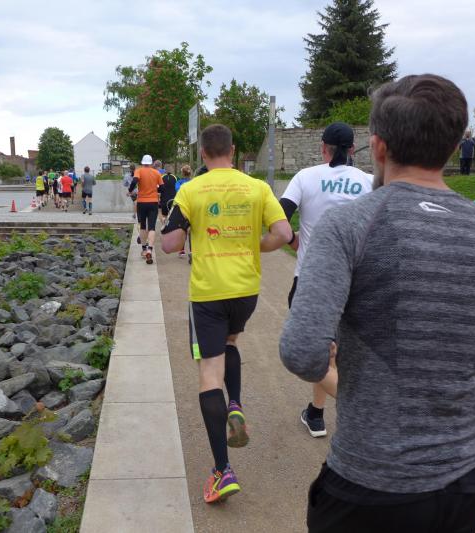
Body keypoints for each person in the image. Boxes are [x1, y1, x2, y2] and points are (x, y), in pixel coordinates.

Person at [279, 74, 475, 533]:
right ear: (452, 149)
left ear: (378, 147)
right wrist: (457, 364)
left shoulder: (349, 225)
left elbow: (302, 351)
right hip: (470, 477)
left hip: (373, 475)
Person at [161, 124, 293, 504]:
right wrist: (256, 245)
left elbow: (169, 244)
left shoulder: (191, 190)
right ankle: (235, 403)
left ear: (203, 153)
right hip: (246, 291)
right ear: (232, 152)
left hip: (208, 293)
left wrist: (183, 229)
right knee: (231, 342)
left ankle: (223, 471)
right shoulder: (257, 188)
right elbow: (284, 233)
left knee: (208, 371)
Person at [279, 122, 373, 439]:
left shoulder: (305, 177)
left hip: (313, 281)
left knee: (313, 354)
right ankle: (316, 414)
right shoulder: (370, 181)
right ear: (352, 149)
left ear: (323, 148)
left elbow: (280, 219)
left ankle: (369, 413)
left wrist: (295, 240)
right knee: (336, 353)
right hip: (359, 283)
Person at [128, 155, 164, 264]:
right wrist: (156, 191)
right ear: (151, 163)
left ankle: (144, 249)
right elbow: (162, 188)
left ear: (142, 162)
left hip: (141, 202)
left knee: (143, 226)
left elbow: (134, 181)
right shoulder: (156, 173)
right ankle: (150, 249)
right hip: (153, 202)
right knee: (152, 227)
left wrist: (130, 190)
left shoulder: (139, 171)